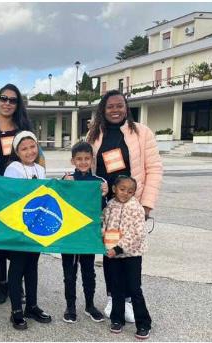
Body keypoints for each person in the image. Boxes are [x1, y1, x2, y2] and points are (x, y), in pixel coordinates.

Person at [86, 89, 163, 322]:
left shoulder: (142, 133)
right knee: (111, 253)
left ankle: (129, 300)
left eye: (120, 105)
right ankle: (113, 297)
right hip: (106, 205)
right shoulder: (93, 134)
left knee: (130, 252)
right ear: (103, 109)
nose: (115, 110)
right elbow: (86, 165)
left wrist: (147, 205)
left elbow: (154, 169)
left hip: (132, 204)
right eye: (110, 106)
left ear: (126, 107)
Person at [0, 83, 45, 305]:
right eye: (3, 98)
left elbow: (39, 158)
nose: (7, 103)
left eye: (12, 100)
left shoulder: (24, 128)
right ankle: (3, 284)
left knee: (19, 240)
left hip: (21, 196)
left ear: (18, 104)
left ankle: (18, 285)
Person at [3, 131, 51, 330]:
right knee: (17, 268)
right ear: (17, 151)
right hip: (19, 227)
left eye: (32, 147)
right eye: (24, 148)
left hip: (37, 228)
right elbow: (9, 195)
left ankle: (32, 305)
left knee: (32, 267)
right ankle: (16, 310)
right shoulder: (13, 168)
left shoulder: (40, 169)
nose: (29, 151)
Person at [60, 141, 108, 324]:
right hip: (70, 236)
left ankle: (90, 305)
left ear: (92, 160)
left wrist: (105, 194)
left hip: (88, 236)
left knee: (89, 271)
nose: (83, 162)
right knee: (69, 272)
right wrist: (63, 185)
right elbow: (58, 202)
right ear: (73, 160)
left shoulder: (99, 182)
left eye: (86, 158)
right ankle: (70, 306)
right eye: (79, 159)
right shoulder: (67, 179)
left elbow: (103, 209)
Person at [102, 176, 152, 340]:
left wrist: (118, 248)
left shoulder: (136, 208)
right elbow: (104, 223)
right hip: (113, 255)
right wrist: (102, 240)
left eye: (130, 191)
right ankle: (117, 319)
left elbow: (137, 233)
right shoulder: (110, 205)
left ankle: (143, 323)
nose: (125, 193)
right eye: (122, 189)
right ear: (114, 188)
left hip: (131, 255)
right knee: (116, 287)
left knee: (134, 289)